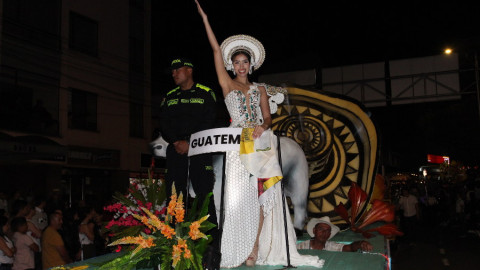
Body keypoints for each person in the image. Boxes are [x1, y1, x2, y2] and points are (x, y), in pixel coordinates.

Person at [195, 1, 323, 268]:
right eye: (237, 62)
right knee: (235, 197)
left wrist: (264, 127)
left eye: (245, 62)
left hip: (261, 143)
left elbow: (268, 117)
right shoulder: (226, 84)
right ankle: (234, 247)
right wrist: (205, 18)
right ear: (231, 66)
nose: (241, 66)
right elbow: (216, 50)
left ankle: (254, 249)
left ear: (251, 65)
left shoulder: (261, 89)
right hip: (237, 144)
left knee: (263, 195)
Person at [159, 57, 220, 266]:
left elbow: (209, 120)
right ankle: (174, 244)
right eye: (173, 71)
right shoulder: (169, 96)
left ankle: (211, 248)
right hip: (176, 150)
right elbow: (163, 123)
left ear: (189, 70)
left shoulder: (205, 93)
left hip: (200, 148)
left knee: (205, 196)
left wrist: (190, 142)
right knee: (175, 197)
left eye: (178, 70)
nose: (174, 74)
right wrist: (177, 141)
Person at [297, 216, 373, 252]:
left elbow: (349, 248)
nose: (324, 233)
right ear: (314, 230)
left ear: (329, 234)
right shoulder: (300, 247)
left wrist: (360, 243)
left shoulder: (331, 246)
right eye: (321, 229)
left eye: (327, 231)